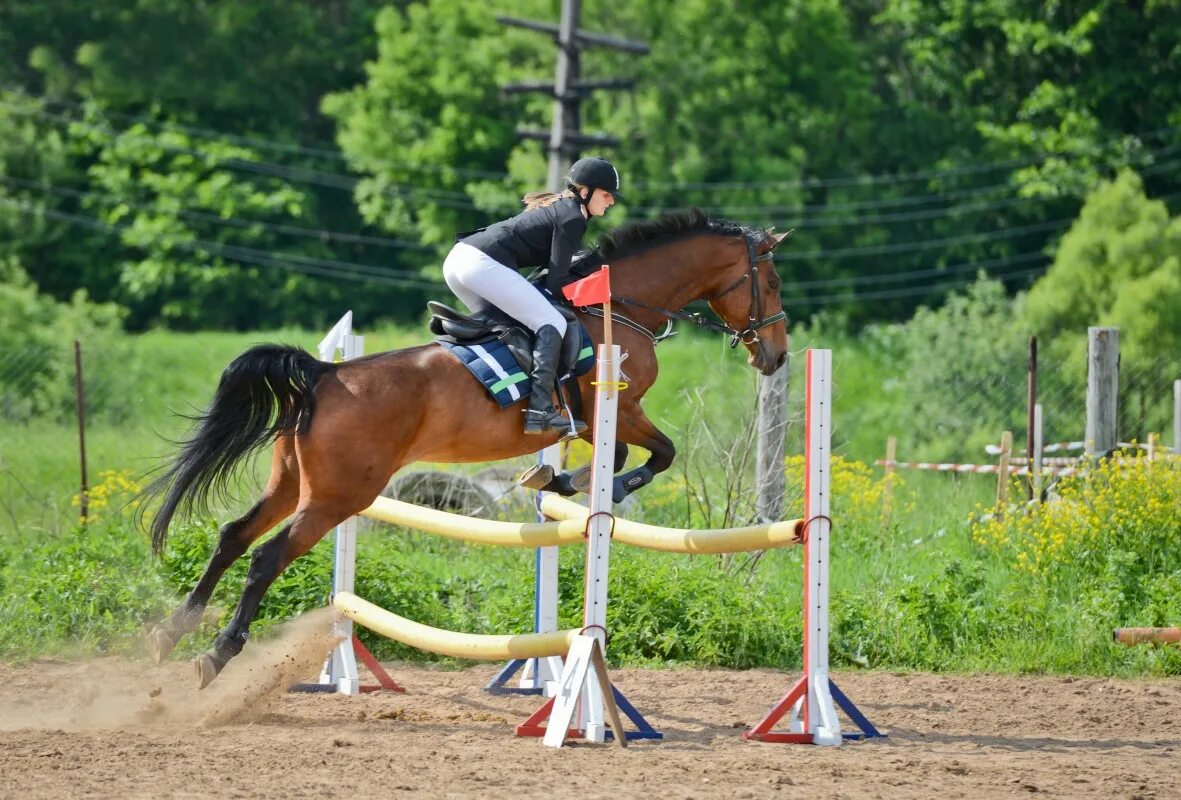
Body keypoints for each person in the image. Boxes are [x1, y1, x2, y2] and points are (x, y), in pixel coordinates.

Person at [442, 156, 622, 435]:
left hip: (459, 261)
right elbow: (555, 283)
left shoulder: (564, 209)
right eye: (606, 194)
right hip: (480, 263)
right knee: (553, 323)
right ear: (585, 192)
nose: (611, 201)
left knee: (515, 326)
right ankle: (540, 410)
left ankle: (502, 388)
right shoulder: (573, 218)